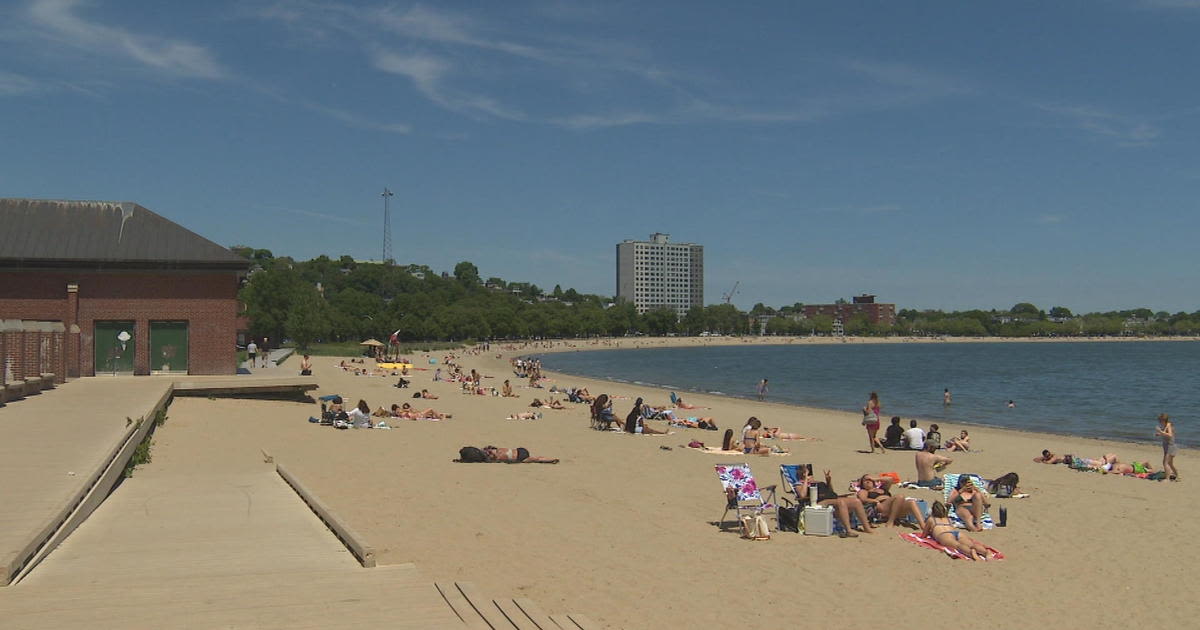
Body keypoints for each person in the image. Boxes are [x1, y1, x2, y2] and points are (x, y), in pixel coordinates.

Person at [792, 466, 875, 537]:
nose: (810, 475)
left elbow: (831, 492)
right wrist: (806, 480)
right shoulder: (799, 484)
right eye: (806, 473)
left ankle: (867, 528)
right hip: (818, 502)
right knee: (841, 502)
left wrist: (828, 481)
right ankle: (848, 530)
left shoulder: (817, 482)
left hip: (831, 499)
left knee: (856, 501)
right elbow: (802, 495)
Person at [923, 501, 995, 560]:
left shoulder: (931, 519)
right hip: (956, 533)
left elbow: (924, 535)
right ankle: (986, 552)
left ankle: (971, 553)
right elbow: (951, 527)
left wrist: (932, 533)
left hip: (944, 535)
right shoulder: (947, 519)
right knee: (971, 544)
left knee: (958, 545)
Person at [855, 475, 925, 529]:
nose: (867, 481)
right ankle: (890, 521)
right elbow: (862, 499)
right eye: (865, 480)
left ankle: (923, 526)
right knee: (900, 496)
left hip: (895, 507)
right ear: (862, 484)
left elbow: (890, 479)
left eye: (869, 480)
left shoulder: (882, 488)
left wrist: (876, 478)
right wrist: (875, 501)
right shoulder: (864, 491)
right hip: (881, 508)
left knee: (911, 502)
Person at [1156, 413, 1179, 481]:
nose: (1159, 422)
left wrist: (1160, 431)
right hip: (1168, 447)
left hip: (1170, 447)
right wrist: (1160, 434)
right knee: (1170, 463)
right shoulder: (1166, 425)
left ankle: (1167, 479)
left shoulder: (1168, 425)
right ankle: (1177, 476)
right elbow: (1166, 434)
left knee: (1165, 463)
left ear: (1164, 420)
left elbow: (1170, 435)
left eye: (1160, 420)